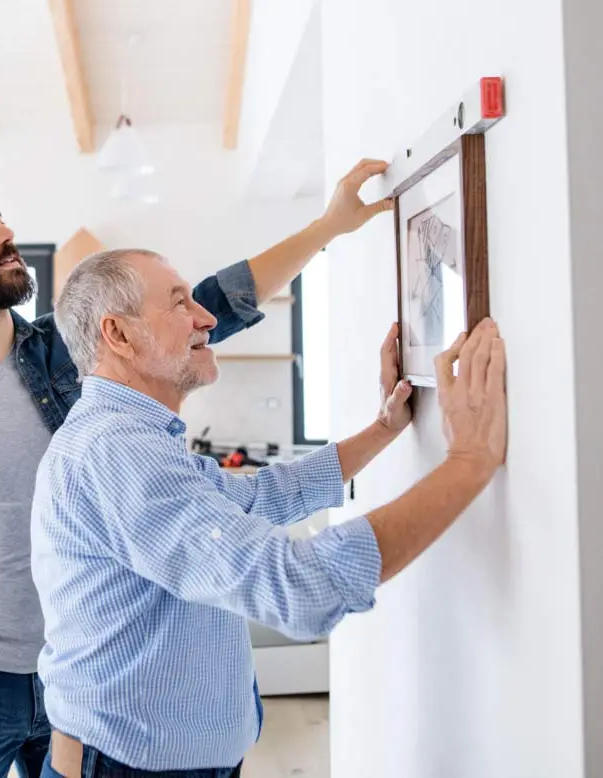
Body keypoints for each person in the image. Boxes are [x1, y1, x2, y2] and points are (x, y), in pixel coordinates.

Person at [0, 160, 394, 778]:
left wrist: (329, 226)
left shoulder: (70, 350)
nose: (5, 233)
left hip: (85, 682)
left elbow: (214, 303)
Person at [31, 249, 507, 777]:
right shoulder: (119, 451)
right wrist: (469, 461)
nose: (207, 317)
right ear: (118, 334)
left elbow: (260, 498)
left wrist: (383, 429)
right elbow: (300, 586)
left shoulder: (133, 438)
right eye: (179, 302)